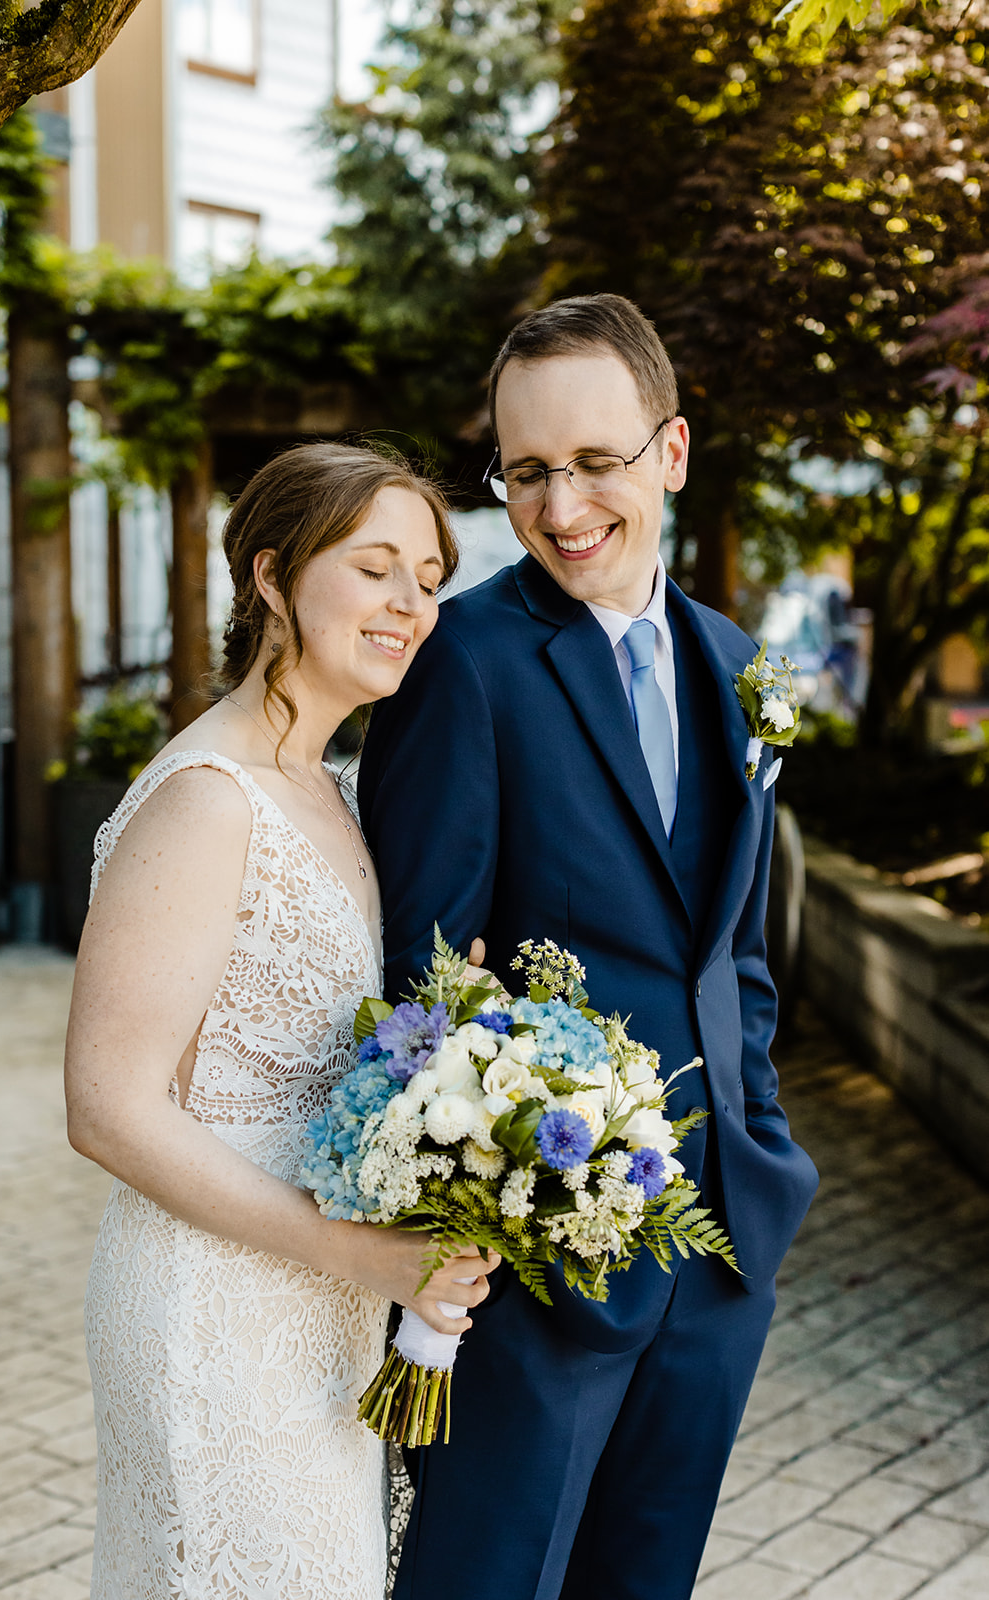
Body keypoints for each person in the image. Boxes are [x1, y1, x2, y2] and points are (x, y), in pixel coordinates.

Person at [357, 295, 820, 1600]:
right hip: (535, 1268)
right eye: (525, 473)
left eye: (594, 463)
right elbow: (417, 978)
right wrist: (467, 1219)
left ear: (668, 452)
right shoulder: (466, 664)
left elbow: (732, 951)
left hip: (716, 1254)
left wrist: (758, 1147)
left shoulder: (737, 666)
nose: (560, 507)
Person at [64, 441, 499, 1600]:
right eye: (374, 567)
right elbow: (106, 1108)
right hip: (217, 1301)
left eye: (428, 573)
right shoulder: (208, 801)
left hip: (328, 1301)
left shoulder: (329, 785)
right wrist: (359, 1252)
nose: (411, 602)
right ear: (270, 575)